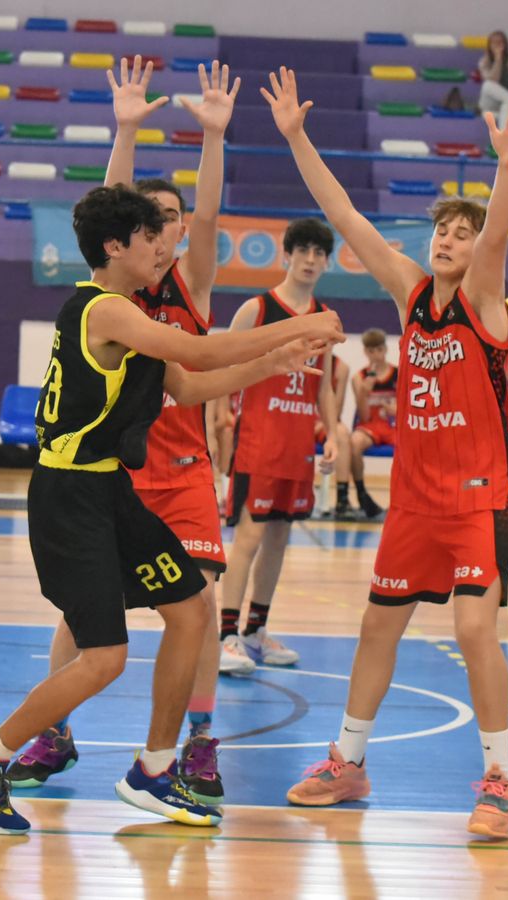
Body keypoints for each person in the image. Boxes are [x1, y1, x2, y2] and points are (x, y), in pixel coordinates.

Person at [0, 184, 343, 835]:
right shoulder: (103, 311)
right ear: (115, 246)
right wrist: (300, 322)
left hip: (106, 491)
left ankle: (154, 771)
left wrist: (276, 360)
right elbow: (197, 350)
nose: (166, 246)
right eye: (153, 237)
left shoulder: (132, 316)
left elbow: (186, 385)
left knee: (192, 612)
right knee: (104, 657)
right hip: (68, 498)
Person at [261, 65, 508, 838]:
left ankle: (499, 780)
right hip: (416, 500)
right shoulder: (412, 294)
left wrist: (506, 167)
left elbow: (498, 237)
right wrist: (296, 138)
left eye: (462, 232)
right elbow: (344, 214)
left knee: (475, 630)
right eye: (441, 231)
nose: (449, 240)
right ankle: (347, 762)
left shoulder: (486, 303)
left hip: (480, 497)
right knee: (377, 627)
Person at [5, 57, 246, 806]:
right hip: (117, 468)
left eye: (170, 222)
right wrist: (127, 128)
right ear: (135, 234)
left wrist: (213, 138)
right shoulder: (117, 292)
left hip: (182, 465)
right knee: (85, 621)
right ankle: (55, 730)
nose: (165, 232)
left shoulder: (188, 282)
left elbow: (203, 219)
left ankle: (193, 745)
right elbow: (110, 208)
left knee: (196, 607)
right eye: (153, 222)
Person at [218, 218, 342, 674]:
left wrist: (330, 433)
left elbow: (325, 385)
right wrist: (219, 428)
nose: (311, 260)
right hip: (257, 443)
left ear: (327, 262)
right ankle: (226, 635)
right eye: (303, 251)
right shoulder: (257, 309)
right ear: (287, 255)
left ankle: (255, 631)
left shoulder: (325, 319)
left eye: (319, 253)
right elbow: (218, 367)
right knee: (248, 538)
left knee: (279, 539)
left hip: (297, 447)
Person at [334, 328, 395, 520]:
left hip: (394, 425)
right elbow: (364, 416)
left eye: (379, 349)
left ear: (385, 349)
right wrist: (363, 393)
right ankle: (361, 493)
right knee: (353, 443)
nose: (376, 354)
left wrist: (395, 409)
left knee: (417, 444)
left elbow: (408, 408)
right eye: (371, 351)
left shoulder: (399, 374)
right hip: (372, 425)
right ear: (365, 352)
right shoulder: (358, 378)